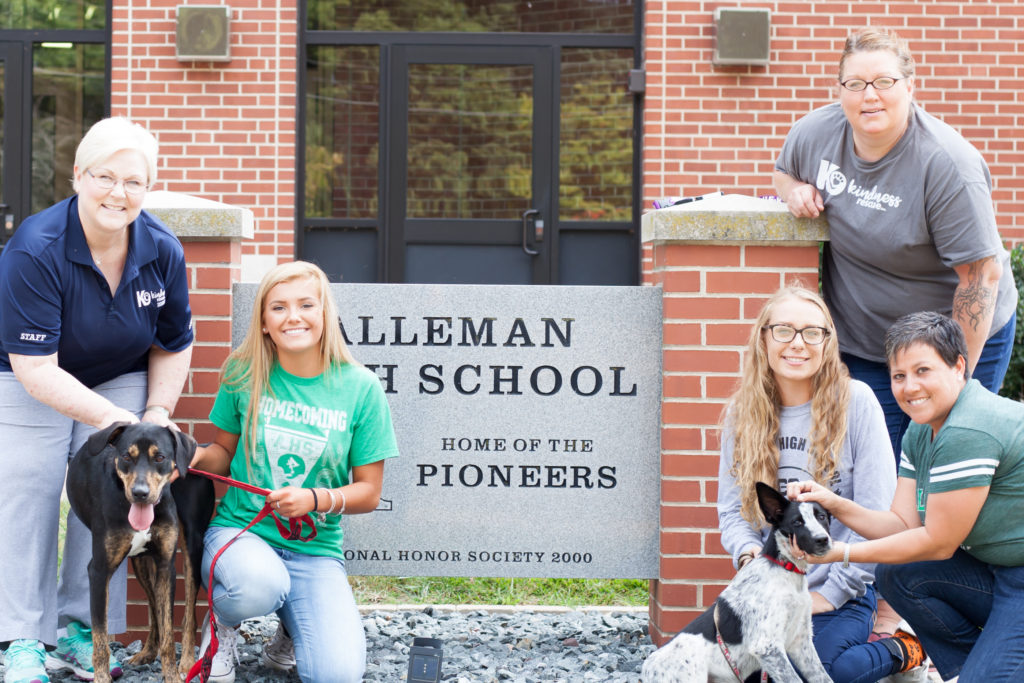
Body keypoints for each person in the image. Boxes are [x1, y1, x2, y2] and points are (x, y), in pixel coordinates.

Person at [0, 118, 194, 683]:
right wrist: (116, 421)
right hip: (27, 377)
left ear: (148, 187)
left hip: (118, 374)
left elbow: (175, 343)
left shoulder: (161, 249)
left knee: (119, 486)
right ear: (78, 177)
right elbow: (36, 368)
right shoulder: (34, 248)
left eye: (134, 181)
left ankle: (82, 627)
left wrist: (155, 413)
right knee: (29, 486)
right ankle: (22, 637)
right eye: (104, 176)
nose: (118, 192)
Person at [773, 27, 1017, 460]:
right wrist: (793, 189)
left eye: (883, 82)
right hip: (865, 341)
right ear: (841, 89)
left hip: (951, 334)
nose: (870, 96)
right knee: (877, 465)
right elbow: (783, 169)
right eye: (855, 84)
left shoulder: (945, 165)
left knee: (945, 456)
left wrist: (951, 374)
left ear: (909, 85)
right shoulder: (815, 134)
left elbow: (979, 277)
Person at [188, 261, 399, 683]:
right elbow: (223, 454)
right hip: (242, 532)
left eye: (306, 304)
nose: (294, 317)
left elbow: (369, 492)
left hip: (315, 551)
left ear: (325, 315)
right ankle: (223, 628)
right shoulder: (242, 372)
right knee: (255, 586)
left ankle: (288, 631)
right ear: (264, 322)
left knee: (337, 675)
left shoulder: (361, 388)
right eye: (279, 307)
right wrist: (186, 456)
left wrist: (315, 499)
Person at [791, 311, 1024, 682]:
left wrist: (841, 553)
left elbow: (937, 543)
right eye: (899, 376)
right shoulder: (922, 429)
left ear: (959, 366)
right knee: (899, 573)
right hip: (1002, 571)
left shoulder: (970, 429)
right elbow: (901, 526)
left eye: (923, 371)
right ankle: (988, 664)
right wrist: (834, 502)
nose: (909, 387)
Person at [718, 285, 926, 682]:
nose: (798, 343)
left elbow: (877, 520)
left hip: (843, 587)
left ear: (828, 342)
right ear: (764, 337)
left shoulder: (857, 402)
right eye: (784, 330)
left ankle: (907, 648)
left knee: (827, 672)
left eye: (812, 332)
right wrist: (750, 562)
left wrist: (826, 596)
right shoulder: (742, 413)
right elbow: (732, 511)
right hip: (769, 588)